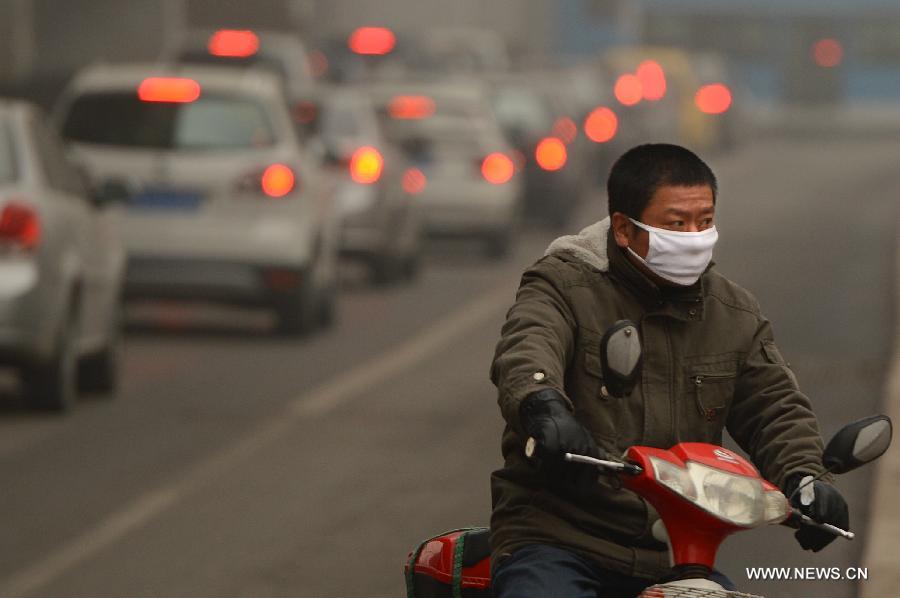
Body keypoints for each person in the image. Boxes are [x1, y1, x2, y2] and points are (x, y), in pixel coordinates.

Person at [488, 143, 848, 597]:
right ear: (622, 228)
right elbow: (527, 349)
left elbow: (775, 406)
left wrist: (806, 478)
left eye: (705, 221)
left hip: (680, 551)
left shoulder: (733, 313)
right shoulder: (563, 286)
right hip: (560, 541)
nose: (694, 235)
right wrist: (545, 408)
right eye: (677, 223)